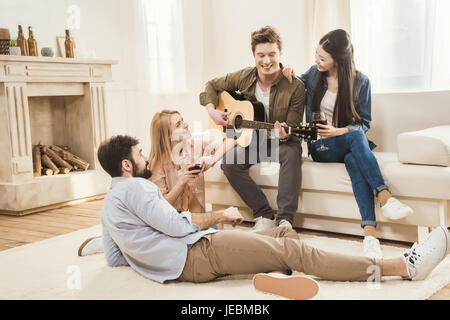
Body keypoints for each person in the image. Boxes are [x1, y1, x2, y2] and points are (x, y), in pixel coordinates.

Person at [96, 134, 449, 300]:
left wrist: (143, 247)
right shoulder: (139, 189)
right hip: (197, 253)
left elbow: (114, 257)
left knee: (281, 236)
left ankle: (273, 274)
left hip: (188, 256)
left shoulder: (109, 202)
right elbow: (175, 225)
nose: (144, 157)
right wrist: (221, 215)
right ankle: (400, 266)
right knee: (296, 251)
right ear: (127, 165)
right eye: (139, 154)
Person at [283, 29, 413, 258]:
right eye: (316, 54)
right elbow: (294, 83)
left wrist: (339, 131)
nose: (317, 61)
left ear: (339, 60)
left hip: (344, 144)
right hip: (320, 147)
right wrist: (288, 72)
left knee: (354, 157)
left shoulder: (361, 81)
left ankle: (370, 234)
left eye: (322, 58)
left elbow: (365, 122)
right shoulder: (314, 74)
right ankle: (385, 197)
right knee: (356, 138)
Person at [78, 110, 235, 256]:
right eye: (178, 125)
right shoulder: (155, 165)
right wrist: (183, 181)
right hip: (170, 220)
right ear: (167, 136)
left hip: (197, 215)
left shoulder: (193, 144)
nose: (186, 125)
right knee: (172, 246)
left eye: (183, 121)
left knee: (218, 235)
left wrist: (212, 159)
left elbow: (230, 140)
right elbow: (161, 204)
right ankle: (107, 244)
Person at [200, 25, 305, 232]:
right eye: (261, 55)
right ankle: (263, 213)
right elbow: (211, 85)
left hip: (280, 142)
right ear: (254, 55)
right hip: (253, 141)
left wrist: (284, 133)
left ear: (280, 53)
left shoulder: (295, 86)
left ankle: (285, 220)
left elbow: (293, 126)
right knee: (229, 163)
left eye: (272, 54)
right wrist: (212, 111)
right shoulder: (245, 77)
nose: (267, 61)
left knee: (292, 154)